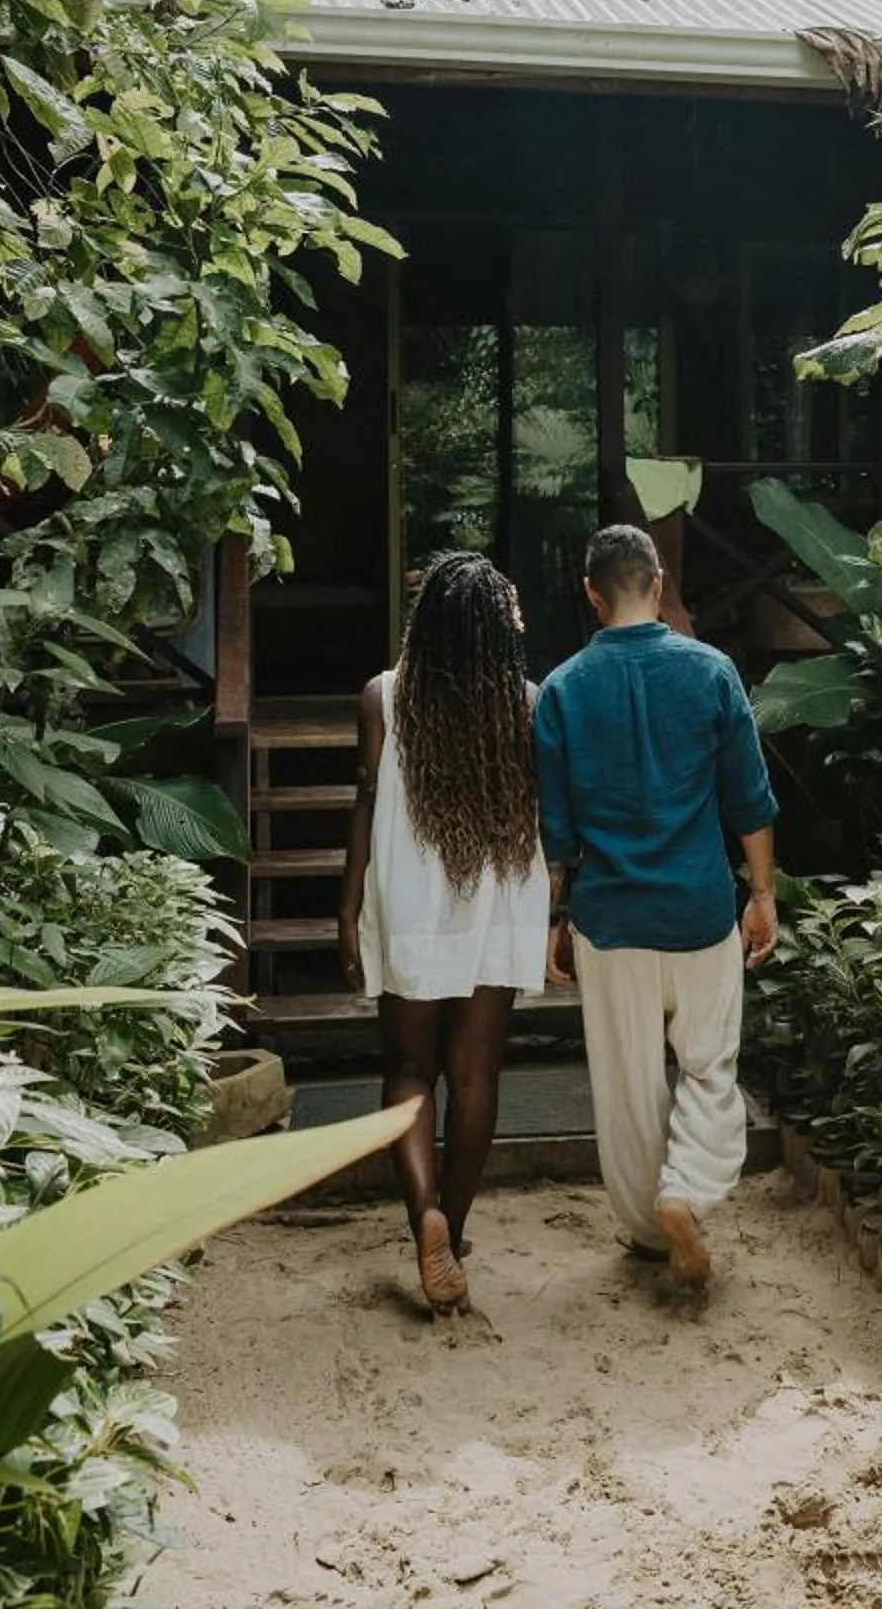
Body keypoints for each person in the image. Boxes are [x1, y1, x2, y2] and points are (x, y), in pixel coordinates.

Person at [534, 523, 778, 1287]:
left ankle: (647, 1230)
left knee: (628, 1080)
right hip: (700, 908)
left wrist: (555, 919)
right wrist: (762, 892)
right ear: (660, 580)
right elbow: (749, 797)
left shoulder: (564, 688)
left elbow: (558, 829)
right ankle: (687, 1191)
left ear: (591, 593)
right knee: (709, 1063)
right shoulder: (711, 672)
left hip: (610, 917)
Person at [338, 552, 552, 1314]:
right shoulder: (527, 701)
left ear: (425, 621)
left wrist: (346, 906)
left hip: (409, 896)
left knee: (406, 1069)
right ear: (498, 628)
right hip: (497, 898)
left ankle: (423, 1213)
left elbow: (364, 806)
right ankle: (452, 1236)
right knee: (476, 1074)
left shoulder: (383, 698)